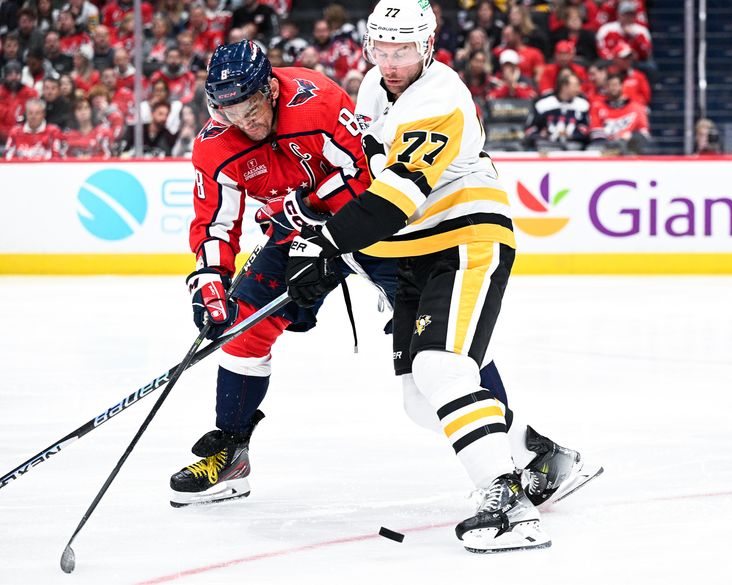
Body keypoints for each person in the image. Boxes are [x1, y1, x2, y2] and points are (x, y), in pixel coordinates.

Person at [172, 38, 595, 545]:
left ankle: (529, 454)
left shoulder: (318, 99)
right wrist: (209, 281)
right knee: (243, 325)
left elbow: (367, 175)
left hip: (372, 230)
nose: (247, 121)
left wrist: (316, 223)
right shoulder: (216, 142)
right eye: (231, 112)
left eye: (253, 107)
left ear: (269, 89)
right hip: (297, 232)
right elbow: (216, 222)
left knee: (442, 354)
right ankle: (231, 451)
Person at [284, 0, 596, 553]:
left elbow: (392, 202)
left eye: (402, 49)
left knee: (441, 365)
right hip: (416, 253)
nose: (390, 60)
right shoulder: (373, 88)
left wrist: (327, 246)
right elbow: (367, 177)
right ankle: (539, 457)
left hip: (466, 238)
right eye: (381, 48)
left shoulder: (440, 98)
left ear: (426, 46)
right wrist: (318, 220)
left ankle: (509, 507)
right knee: (419, 401)